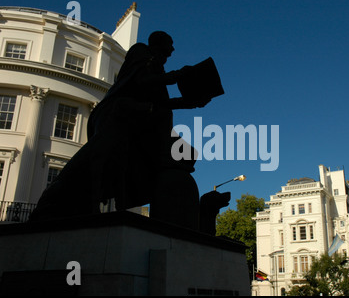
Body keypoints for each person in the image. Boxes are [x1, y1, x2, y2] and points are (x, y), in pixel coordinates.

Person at [29, 31, 229, 232]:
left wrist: (190, 103)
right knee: (100, 158)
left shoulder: (157, 68)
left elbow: (160, 105)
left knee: (134, 165)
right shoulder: (141, 52)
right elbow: (141, 82)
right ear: (157, 44)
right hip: (118, 115)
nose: (172, 50)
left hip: (134, 120)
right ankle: (73, 205)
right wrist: (178, 75)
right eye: (169, 44)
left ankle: (101, 203)